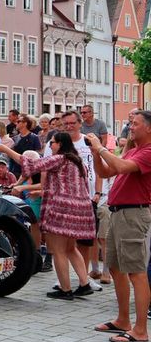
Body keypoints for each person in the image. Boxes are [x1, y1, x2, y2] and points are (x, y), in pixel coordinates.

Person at [0, 132, 95, 300]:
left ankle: (65, 289)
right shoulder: (78, 161)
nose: (50, 146)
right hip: (79, 209)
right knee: (71, 248)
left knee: (58, 251)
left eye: (53, 143)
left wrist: (6, 149)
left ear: (61, 144)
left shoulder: (60, 159)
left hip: (61, 208)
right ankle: (84, 284)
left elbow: (32, 163)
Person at [87, 111, 151, 342]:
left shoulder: (148, 152)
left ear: (149, 128)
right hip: (118, 212)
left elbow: (121, 167)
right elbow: (105, 172)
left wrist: (101, 148)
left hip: (133, 214)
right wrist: (96, 153)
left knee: (136, 271)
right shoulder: (133, 149)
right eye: (130, 123)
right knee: (114, 267)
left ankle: (141, 330)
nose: (130, 127)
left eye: (135, 124)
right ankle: (123, 320)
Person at [46, 110, 102, 292]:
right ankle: (76, 281)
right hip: (70, 200)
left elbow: (99, 165)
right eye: (66, 123)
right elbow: (45, 168)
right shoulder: (53, 144)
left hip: (87, 197)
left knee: (83, 244)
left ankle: (79, 281)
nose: (69, 126)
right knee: (69, 246)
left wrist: (98, 193)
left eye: (72, 123)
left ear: (80, 123)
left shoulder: (87, 141)